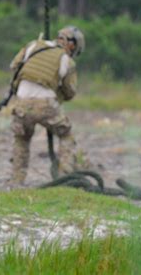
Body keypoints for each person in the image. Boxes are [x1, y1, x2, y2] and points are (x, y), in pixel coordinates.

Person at [8, 26, 85, 186]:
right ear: (71, 44)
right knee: (66, 135)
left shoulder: (33, 46)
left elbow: (14, 66)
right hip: (46, 105)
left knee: (21, 139)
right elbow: (70, 91)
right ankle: (65, 177)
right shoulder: (66, 59)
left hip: (21, 101)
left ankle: (16, 181)